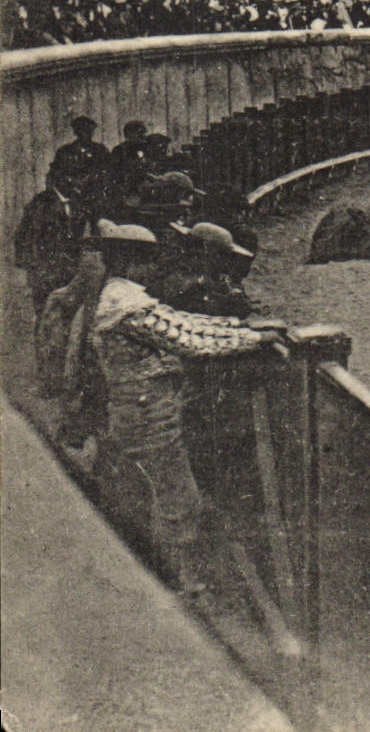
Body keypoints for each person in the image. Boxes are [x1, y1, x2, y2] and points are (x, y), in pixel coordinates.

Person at [88, 221, 283, 594]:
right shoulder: (124, 302)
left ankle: (172, 578)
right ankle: (179, 584)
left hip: (145, 407)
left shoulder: (123, 296)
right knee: (176, 498)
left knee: (166, 494)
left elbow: (185, 325)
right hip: (148, 413)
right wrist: (251, 337)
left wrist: (243, 331)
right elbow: (189, 340)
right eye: (146, 259)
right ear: (131, 262)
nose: (153, 267)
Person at [14, 163, 94, 313]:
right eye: (72, 177)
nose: (77, 182)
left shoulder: (77, 203)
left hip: (70, 272)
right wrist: (29, 269)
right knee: (45, 314)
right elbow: (23, 237)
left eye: (79, 177)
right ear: (60, 179)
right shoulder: (40, 203)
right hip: (46, 272)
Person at [51, 116, 109, 181]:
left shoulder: (100, 151)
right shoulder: (65, 152)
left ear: (92, 132)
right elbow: (55, 175)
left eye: (88, 130)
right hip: (70, 189)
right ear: (75, 132)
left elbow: (108, 173)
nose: (85, 134)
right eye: (81, 130)